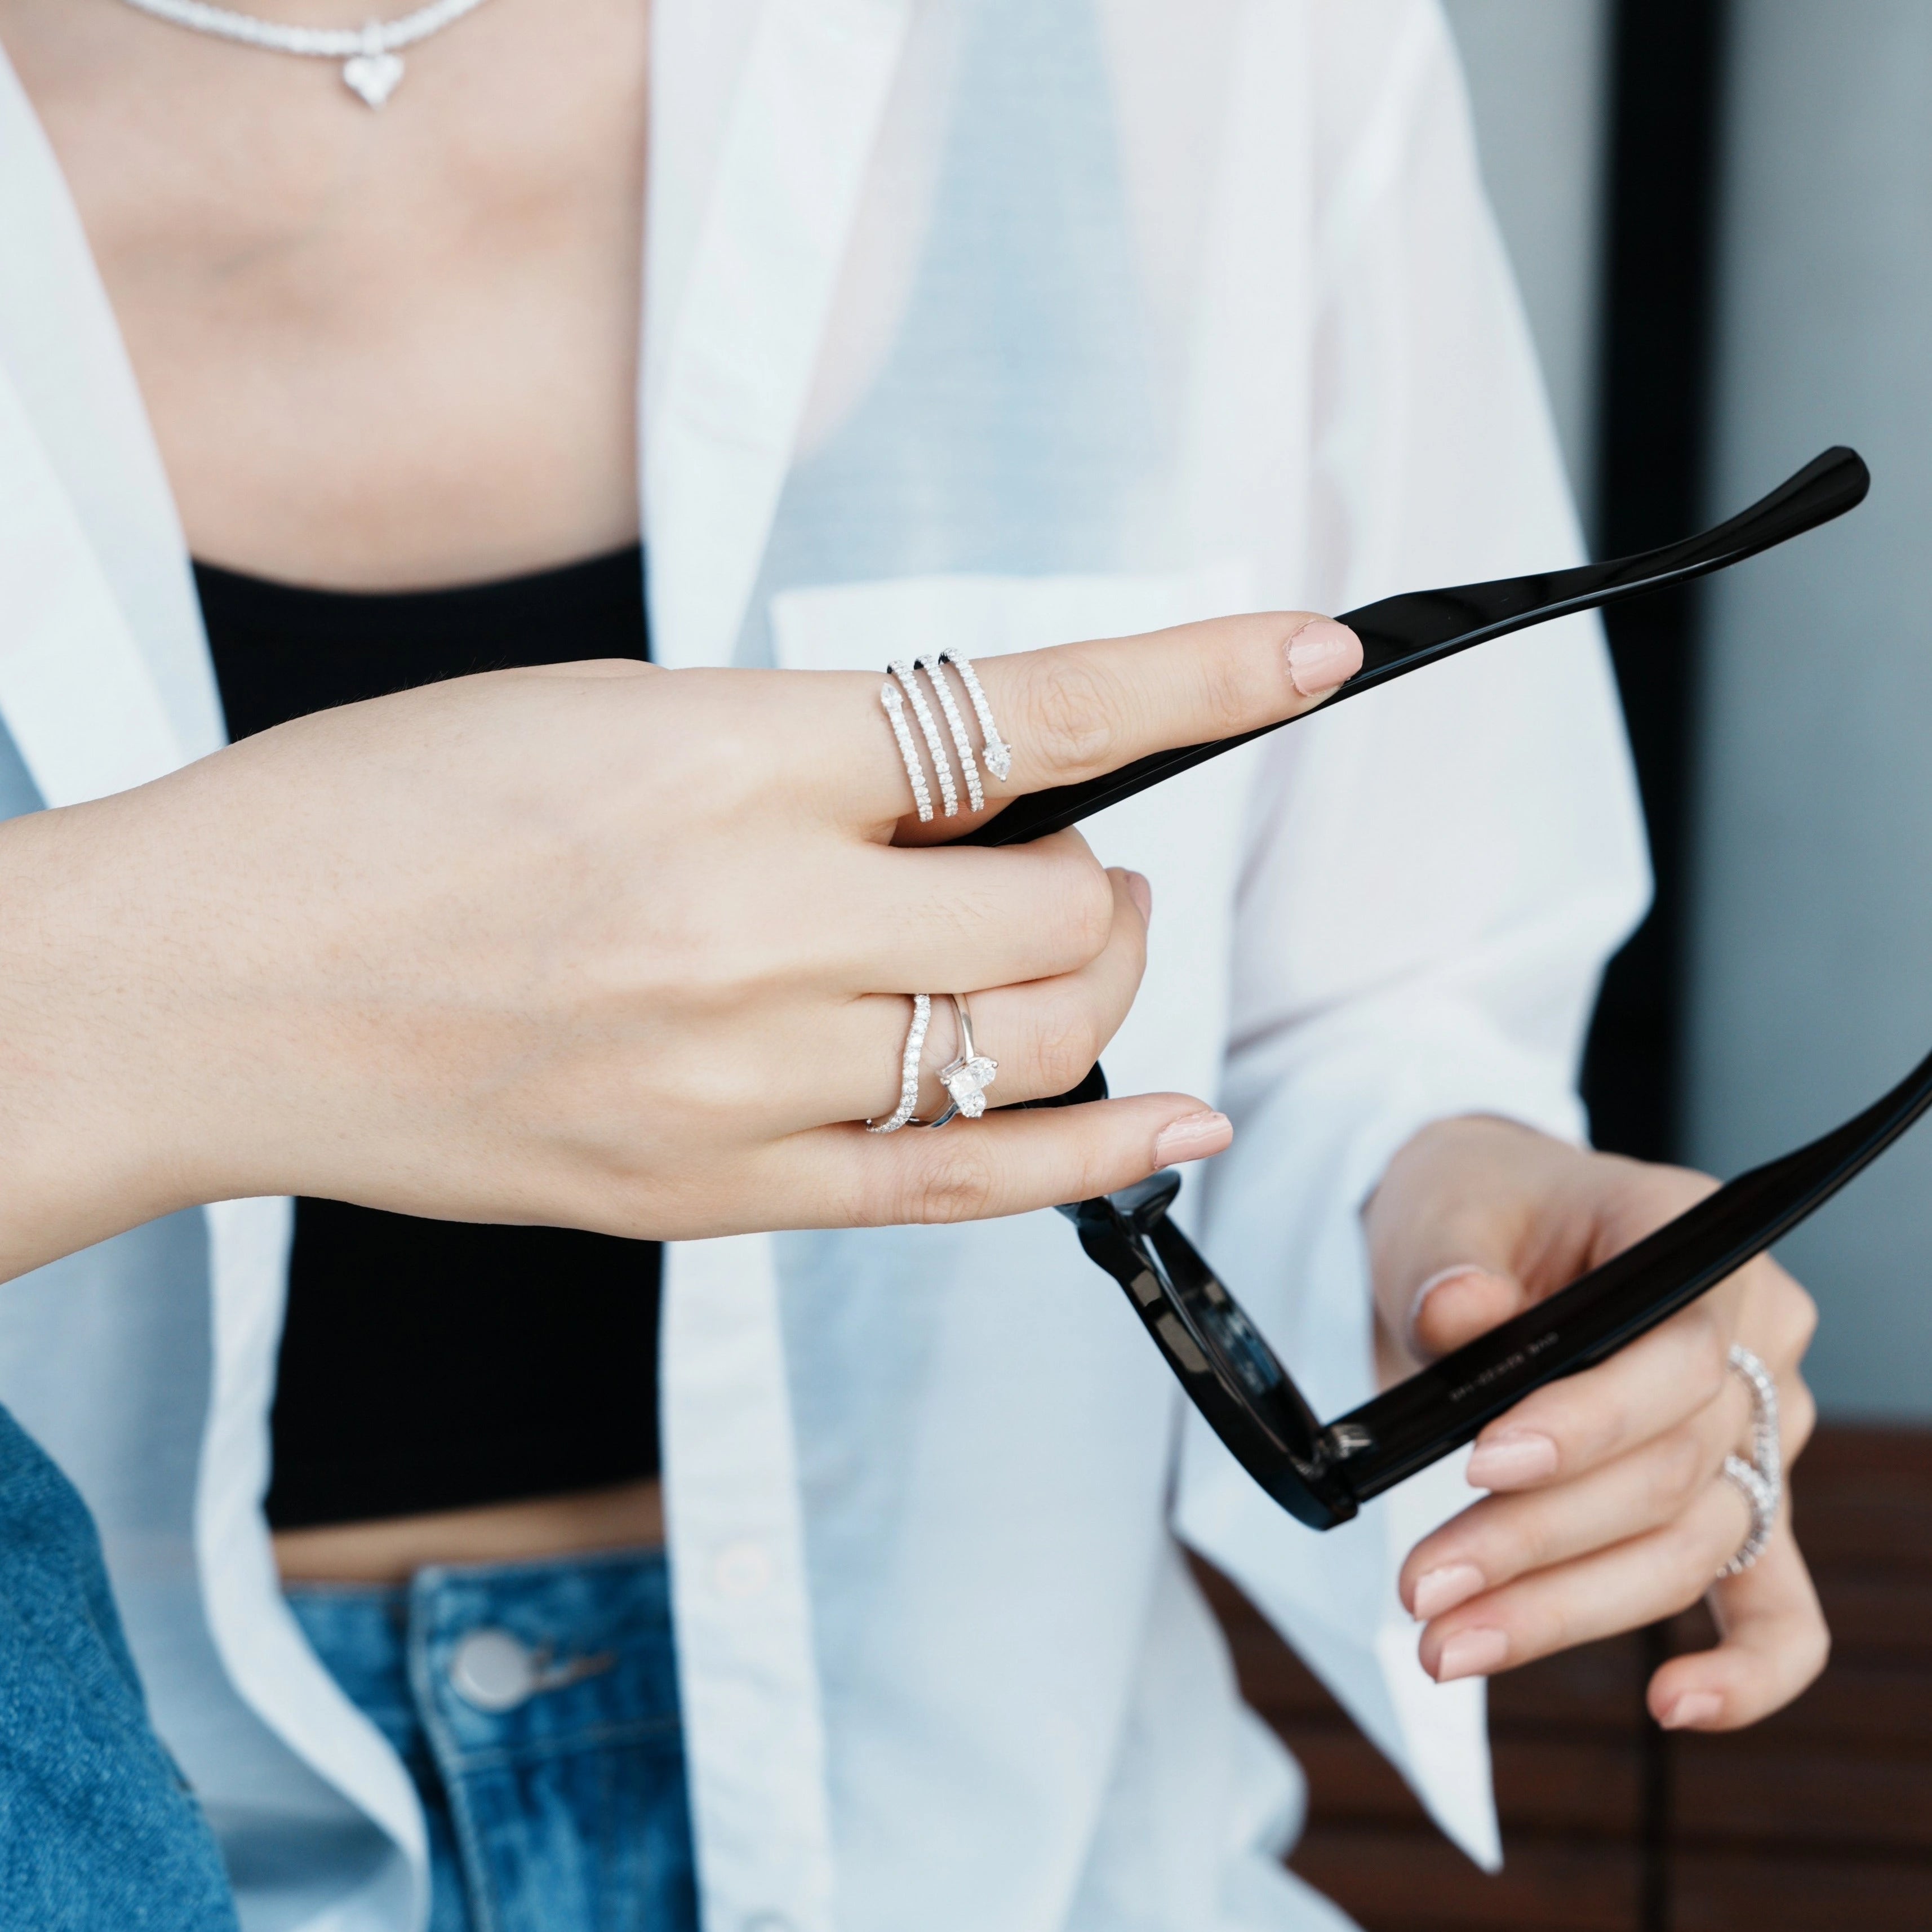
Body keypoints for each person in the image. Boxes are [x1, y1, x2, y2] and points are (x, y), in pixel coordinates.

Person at [0, 2, 1827, 1929]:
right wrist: (145, 992)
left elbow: (1372, 982)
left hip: (1022, 1850)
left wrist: (1445, 1230)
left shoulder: (1218, 45)